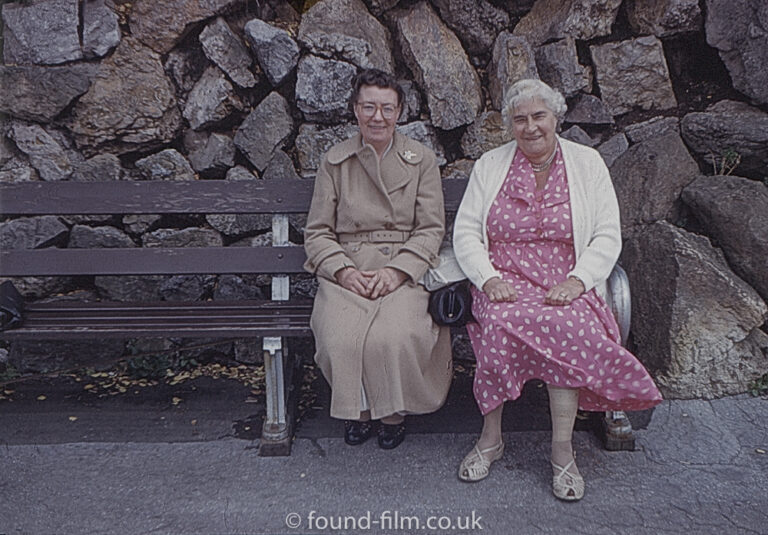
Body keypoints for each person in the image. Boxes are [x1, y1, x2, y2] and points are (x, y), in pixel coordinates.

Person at [452, 79, 662, 499]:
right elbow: (466, 232)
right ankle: (490, 438)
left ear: (555, 118)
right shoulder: (490, 165)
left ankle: (562, 449)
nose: (530, 127)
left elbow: (606, 233)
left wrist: (579, 280)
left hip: (565, 281)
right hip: (504, 280)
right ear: (510, 125)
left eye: (538, 116)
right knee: (496, 323)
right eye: (520, 119)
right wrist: (488, 278)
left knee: (566, 325)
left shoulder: (586, 163)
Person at [304, 69, 452, 450]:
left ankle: (393, 413)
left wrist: (399, 271)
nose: (378, 117)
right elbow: (317, 230)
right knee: (340, 336)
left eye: (387, 108)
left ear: (399, 111)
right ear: (355, 110)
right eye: (369, 107)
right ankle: (360, 410)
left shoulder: (422, 160)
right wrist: (342, 270)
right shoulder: (334, 162)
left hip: (402, 266)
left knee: (396, 335)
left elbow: (431, 227)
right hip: (348, 268)